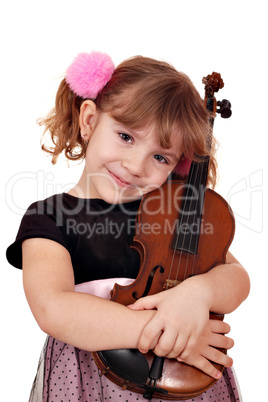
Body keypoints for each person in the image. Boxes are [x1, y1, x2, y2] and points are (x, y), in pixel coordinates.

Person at [6, 51, 250, 402]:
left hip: (184, 379)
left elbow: (237, 278)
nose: (136, 166)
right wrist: (167, 331)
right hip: (89, 381)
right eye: (125, 136)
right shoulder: (50, 216)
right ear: (89, 121)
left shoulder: (174, 214)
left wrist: (198, 294)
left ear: (178, 166)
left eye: (160, 157)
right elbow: (52, 307)